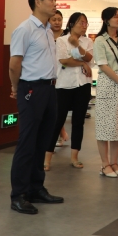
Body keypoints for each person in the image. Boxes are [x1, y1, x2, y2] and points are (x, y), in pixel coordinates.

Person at [8, 0, 64, 215]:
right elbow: (14, 64)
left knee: (43, 141)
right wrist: (16, 88)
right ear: (38, 2)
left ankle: (36, 188)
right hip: (31, 89)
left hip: (49, 89)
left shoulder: (48, 30)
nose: (55, 3)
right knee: (27, 142)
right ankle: (18, 195)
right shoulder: (25, 29)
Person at [44, 12, 94, 170]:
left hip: (83, 84)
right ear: (72, 24)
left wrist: (77, 45)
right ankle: (47, 158)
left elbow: (89, 58)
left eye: (85, 23)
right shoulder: (61, 40)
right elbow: (64, 60)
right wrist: (82, 63)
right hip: (64, 85)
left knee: (78, 122)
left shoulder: (87, 41)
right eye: (81, 22)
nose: (84, 26)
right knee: (57, 121)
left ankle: (74, 157)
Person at [94, 7, 118, 178]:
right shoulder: (100, 40)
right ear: (106, 20)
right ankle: (105, 165)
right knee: (105, 125)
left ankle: (114, 162)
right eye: (115, 17)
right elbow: (103, 65)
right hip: (108, 83)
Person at [49, 10, 69, 146]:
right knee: (53, 107)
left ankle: (61, 134)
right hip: (49, 73)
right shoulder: (46, 34)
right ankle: (61, 133)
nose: (57, 22)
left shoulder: (67, 35)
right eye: (54, 19)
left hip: (64, 73)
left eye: (59, 19)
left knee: (59, 107)